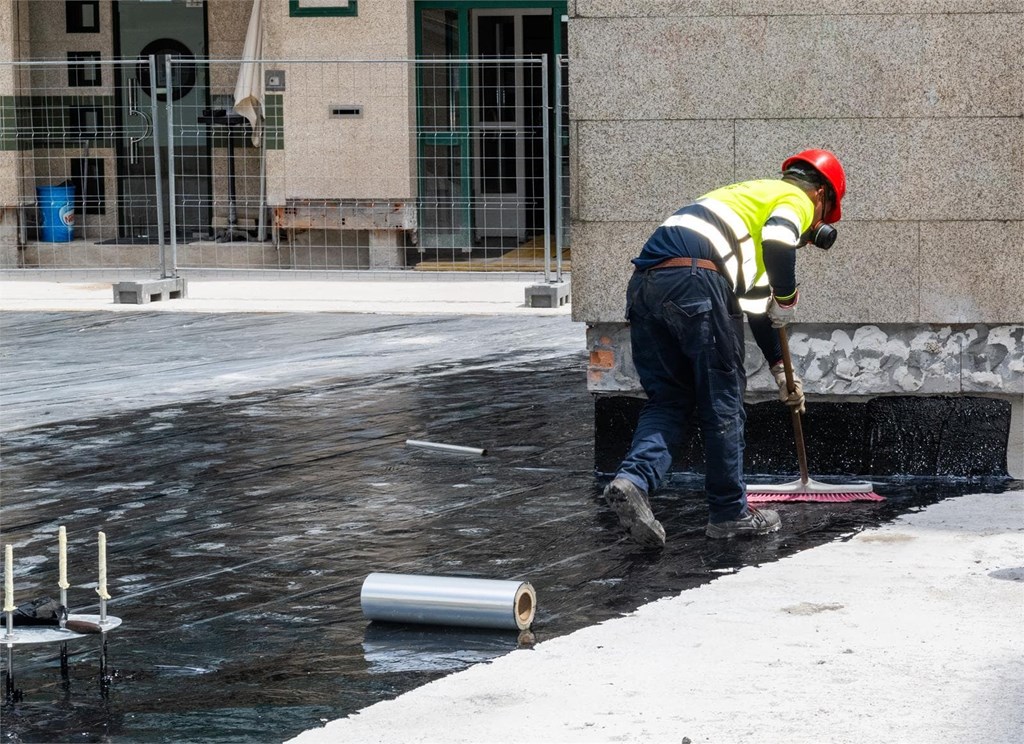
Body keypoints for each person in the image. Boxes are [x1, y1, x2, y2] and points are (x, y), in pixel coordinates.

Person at [602, 149, 847, 547]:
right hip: (697, 280)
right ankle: (730, 513)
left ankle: (632, 482)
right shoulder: (797, 199)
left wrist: (781, 370)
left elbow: (754, 308)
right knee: (722, 400)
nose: (812, 229)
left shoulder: (746, 200)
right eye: (821, 218)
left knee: (669, 400)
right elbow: (779, 241)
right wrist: (788, 295)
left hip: (647, 284)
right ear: (821, 195)